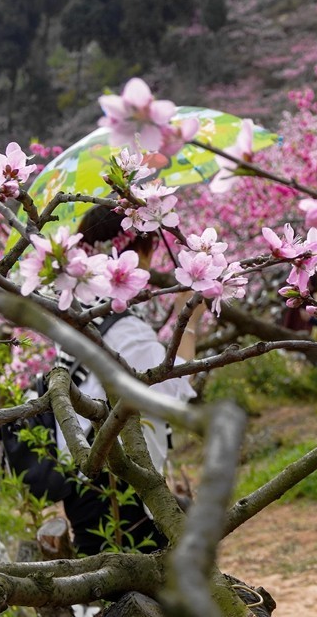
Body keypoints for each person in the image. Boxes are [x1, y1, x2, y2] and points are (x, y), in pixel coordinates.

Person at [42, 205, 198, 555]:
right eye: (149, 247)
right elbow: (172, 391)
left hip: (83, 481)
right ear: (133, 251)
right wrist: (189, 316)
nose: (152, 258)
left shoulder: (77, 317)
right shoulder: (125, 326)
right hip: (122, 485)